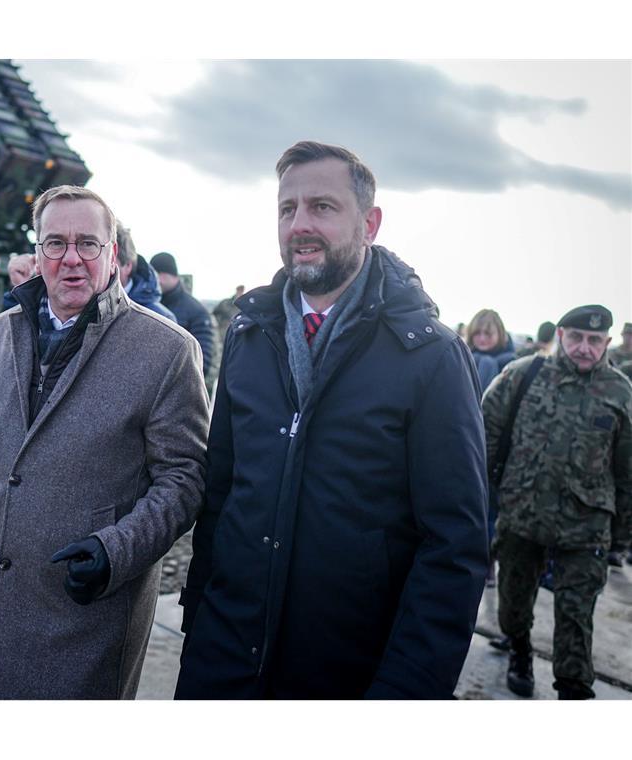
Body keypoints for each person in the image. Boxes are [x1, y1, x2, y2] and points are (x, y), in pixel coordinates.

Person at [175, 140, 488, 699]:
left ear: (369, 222)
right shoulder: (250, 336)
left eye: (322, 206)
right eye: (287, 208)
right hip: (224, 658)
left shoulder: (431, 357)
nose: (299, 224)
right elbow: (219, 500)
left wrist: (407, 690)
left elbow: (454, 547)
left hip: (345, 672)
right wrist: (198, 624)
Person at [0, 185, 209, 699]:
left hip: (92, 608)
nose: (71, 259)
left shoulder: (166, 351)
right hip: (3, 600)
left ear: (113, 255)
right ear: (38, 253)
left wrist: (116, 549)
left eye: (88, 244)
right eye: (55, 243)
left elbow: (186, 479)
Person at [484, 305, 632, 700]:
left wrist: (621, 536)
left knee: (576, 615)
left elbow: (627, 469)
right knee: (514, 603)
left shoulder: (620, 391)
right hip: (521, 513)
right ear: (562, 335)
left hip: (586, 527)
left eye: (595, 340)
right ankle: (519, 649)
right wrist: (485, 497)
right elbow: (486, 436)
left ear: (607, 343)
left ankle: (573, 687)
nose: (585, 347)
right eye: (577, 337)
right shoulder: (523, 375)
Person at [3, 224, 174, 321]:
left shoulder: (160, 319)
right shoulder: (79, 302)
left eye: (90, 247)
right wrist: (24, 289)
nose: (74, 260)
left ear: (126, 265)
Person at [149, 251, 215, 377]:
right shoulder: (150, 304)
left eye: (158, 274)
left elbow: (202, 361)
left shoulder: (196, 311)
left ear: (168, 274)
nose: (157, 280)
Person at [467, 308, 516, 394]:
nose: (482, 339)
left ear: (500, 334)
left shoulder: (512, 366)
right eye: (477, 333)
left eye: (488, 333)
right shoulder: (463, 360)